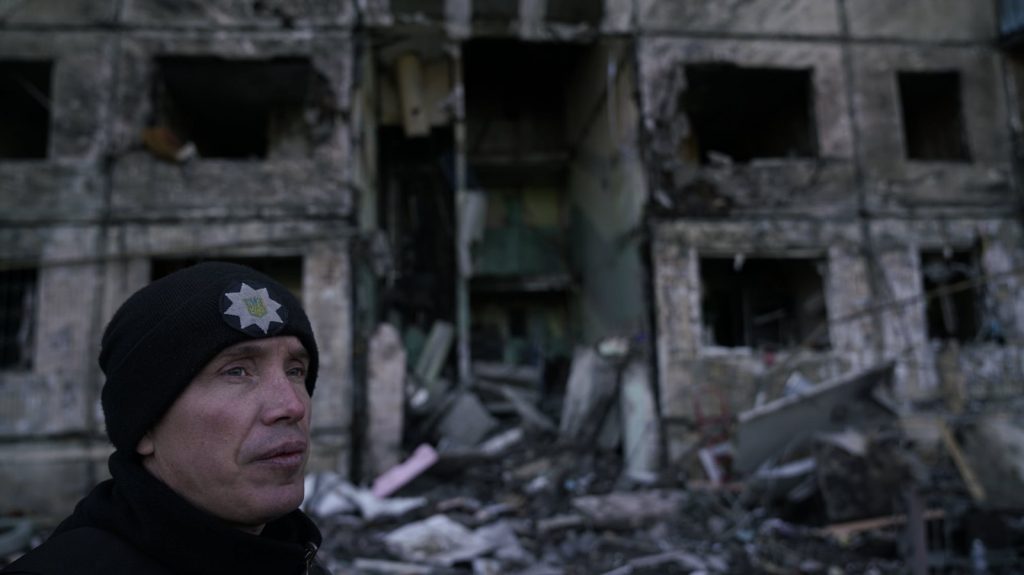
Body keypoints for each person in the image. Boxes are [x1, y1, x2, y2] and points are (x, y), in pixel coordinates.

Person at [2, 261, 329, 574]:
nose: (292, 406)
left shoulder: (297, 560)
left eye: (295, 370)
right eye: (237, 371)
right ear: (144, 425)